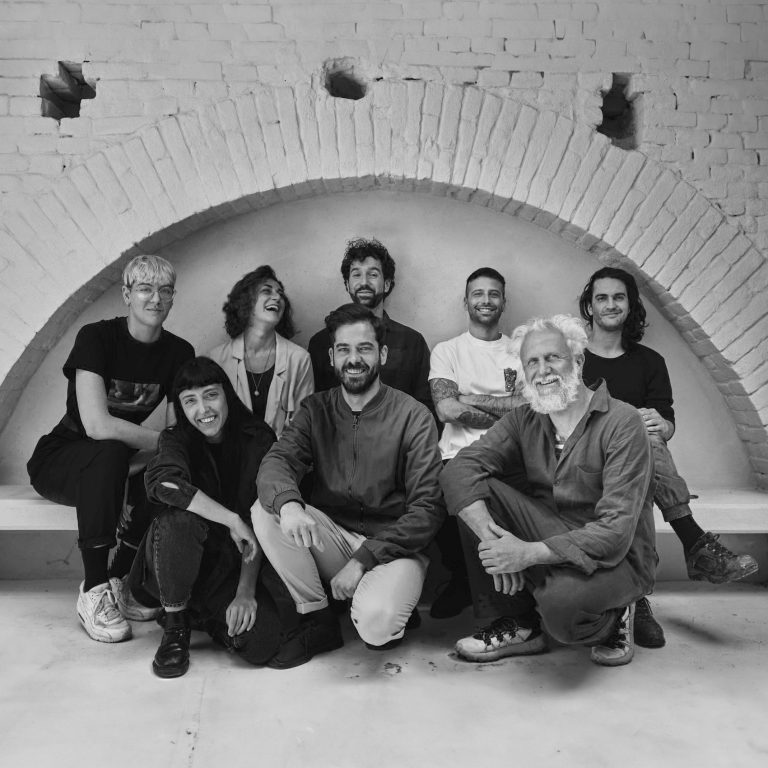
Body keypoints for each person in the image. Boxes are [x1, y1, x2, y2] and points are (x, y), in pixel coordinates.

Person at [441, 315, 656, 667]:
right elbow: (458, 470)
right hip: (550, 533)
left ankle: (615, 616)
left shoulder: (623, 421)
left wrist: (527, 554)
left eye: (552, 357)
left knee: (562, 610)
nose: (542, 371)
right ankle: (521, 624)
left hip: (616, 558)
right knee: (475, 490)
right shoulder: (523, 419)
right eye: (532, 362)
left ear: (578, 361)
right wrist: (497, 546)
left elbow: (615, 532)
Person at [254, 303, 446, 668]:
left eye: (364, 348)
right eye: (344, 349)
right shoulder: (315, 410)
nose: (353, 359)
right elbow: (276, 462)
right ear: (332, 357)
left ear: (382, 354)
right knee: (267, 509)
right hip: (333, 539)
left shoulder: (413, 416)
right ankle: (318, 618)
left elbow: (427, 510)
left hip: (394, 546)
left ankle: (385, 600)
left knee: (377, 625)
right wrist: (290, 505)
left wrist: (363, 560)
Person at [579, 266, 758, 648]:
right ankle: (692, 541)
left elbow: (667, 422)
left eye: (618, 297)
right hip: (585, 461)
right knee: (636, 433)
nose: (610, 304)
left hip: (637, 465)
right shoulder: (574, 359)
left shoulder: (649, 361)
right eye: (601, 298)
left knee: (644, 459)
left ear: (630, 305)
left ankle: (635, 599)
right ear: (590, 307)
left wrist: (661, 423)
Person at [27, 255, 194, 643]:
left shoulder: (179, 352)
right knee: (111, 454)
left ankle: (120, 579)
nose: (156, 298)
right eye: (145, 289)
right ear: (127, 294)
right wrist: (166, 442)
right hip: (63, 459)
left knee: (168, 467)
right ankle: (94, 587)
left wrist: (167, 448)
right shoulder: (97, 338)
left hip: (120, 462)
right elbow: (97, 426)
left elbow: (176, 431)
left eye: (165, 290)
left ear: (172, 298)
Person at [132, 357, 295, 677]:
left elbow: (262, 517)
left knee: (263, 641)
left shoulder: (258, 438)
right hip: (175, 561)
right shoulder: (174, 438)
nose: (203, 409)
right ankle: (176, 625)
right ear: (181, 408)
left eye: (210, 395)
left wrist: (245, 592)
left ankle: (202, 618)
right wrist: (231, 519)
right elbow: (165, 483)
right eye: (190, 401)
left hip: (229, 567)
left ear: (226, 395)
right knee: (179, 520)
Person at [428, 267, 524, 618]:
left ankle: (503, 606)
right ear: (465, 301)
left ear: (504, 302)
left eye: (493, 293)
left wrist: (469, 398)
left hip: (511, 454)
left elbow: (530, 410)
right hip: (455, 454)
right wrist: (504, 408)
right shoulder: (447, 350)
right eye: (478, 293)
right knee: (452, 493)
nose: (486, 300)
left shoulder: (520, 352)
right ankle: (467, 585)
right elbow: (446, 409)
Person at [307, 237, 432, 413]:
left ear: (386, 284)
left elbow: (425, 407)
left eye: (373, 274)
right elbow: (316, 407)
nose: (364, 282)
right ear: (347, 284)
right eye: (356, 274)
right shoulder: (321, 342)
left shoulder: (412, 342)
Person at [208, 265, 313, 438]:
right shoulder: (216, 359)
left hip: (282, 454)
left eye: (280, 293)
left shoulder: (299, 359)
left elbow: (301, 429)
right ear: (246, 301)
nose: (277, 297)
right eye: (266, 291)